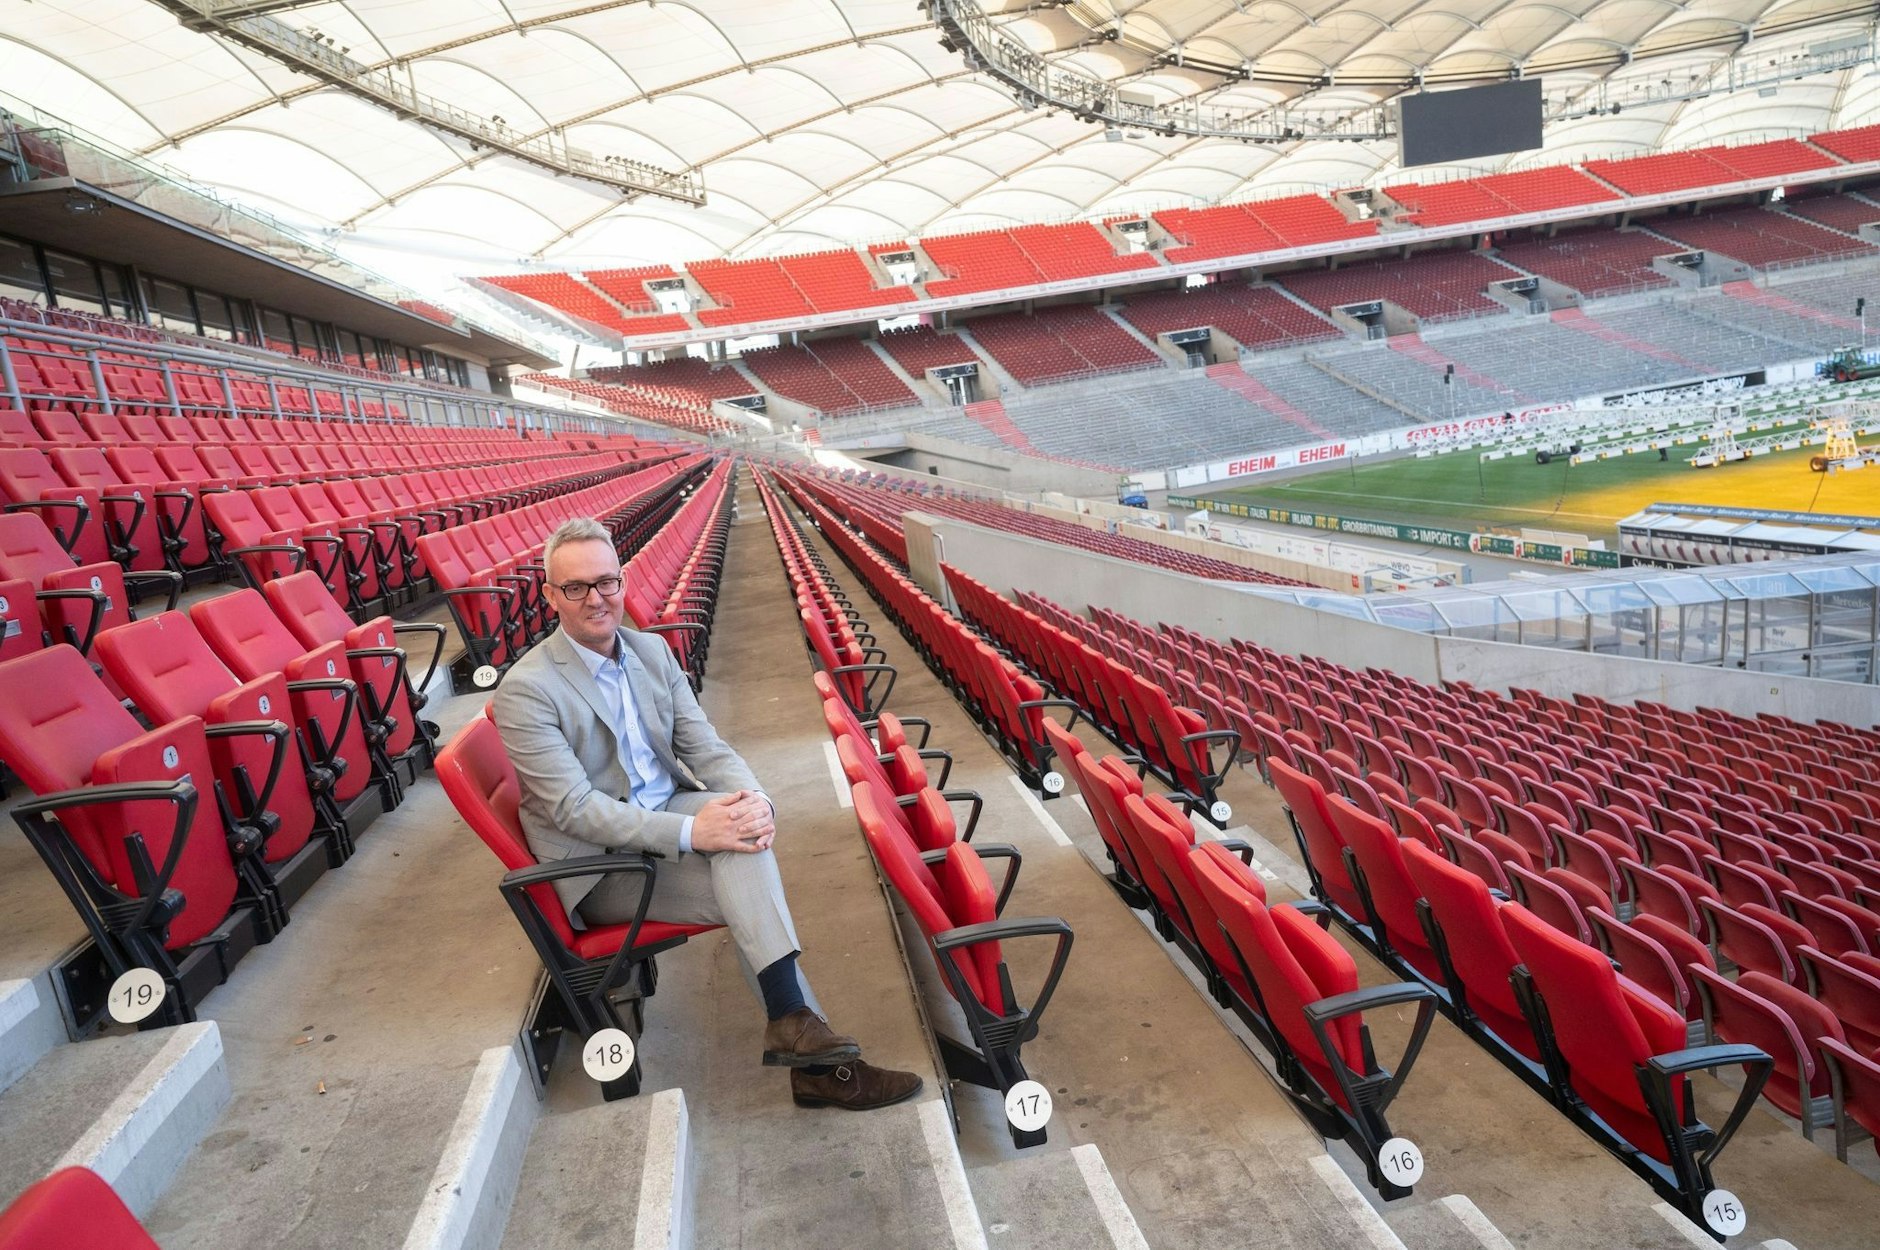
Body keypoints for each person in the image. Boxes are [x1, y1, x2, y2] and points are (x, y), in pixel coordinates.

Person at [492, 517, 921, 1112]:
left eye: (606, 582)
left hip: (663, 809)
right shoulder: (527, 688)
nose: (596, 598)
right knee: (746, 888)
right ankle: (815, 1058)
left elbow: (705, 746)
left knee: (745, 834)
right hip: (599, 867)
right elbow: (576, 810)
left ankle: (797, 1030)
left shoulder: (649, 651)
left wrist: (756, 800)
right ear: (550, 595)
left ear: (622, 582)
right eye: (576, 587)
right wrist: (696, 830)